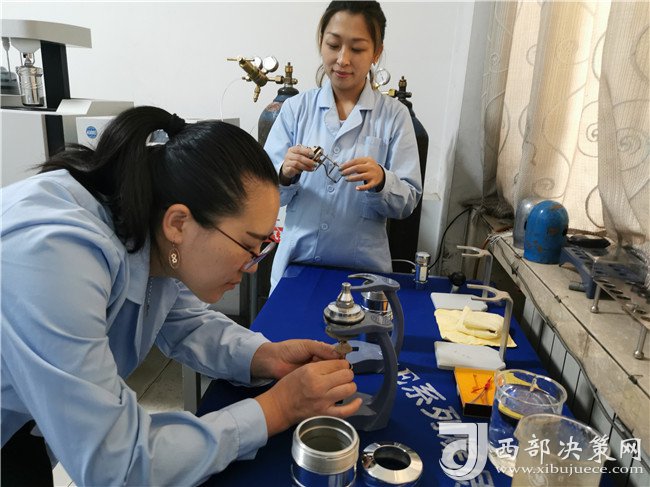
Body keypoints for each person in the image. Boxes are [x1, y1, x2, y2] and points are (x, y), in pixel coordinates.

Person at [0, 106, 361, 486]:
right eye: (249, 245)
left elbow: (185, 320)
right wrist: (277, 408)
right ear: (179, 223)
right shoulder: (53, 255)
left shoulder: (147, 224)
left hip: (27, 421)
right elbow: (119, 464)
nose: (253, 266)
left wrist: (265, 357)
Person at [264, 0, 422, 291]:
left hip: (364, 274)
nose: (343, 59)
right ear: (321, 42)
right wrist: (285, 173)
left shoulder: (394, 116)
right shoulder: (296, 110)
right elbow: (263, 193)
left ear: (376, 52)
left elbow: (408, 200)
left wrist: (382, 180)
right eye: (333, 45)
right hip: (296, 268)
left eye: (357, 49)